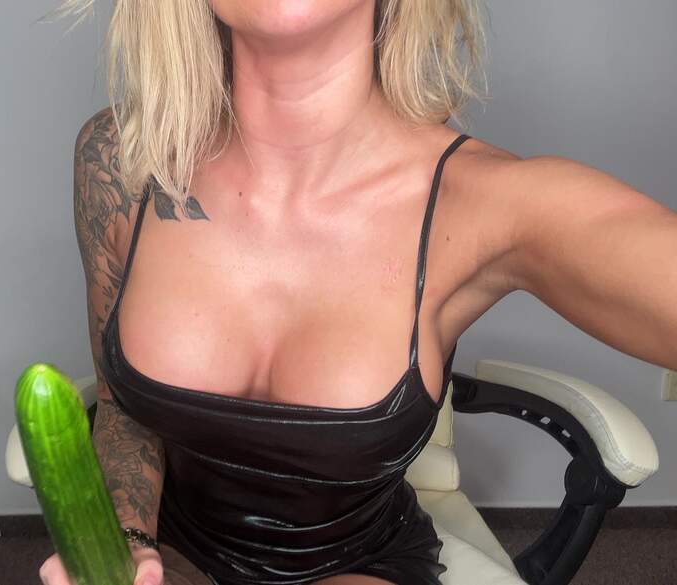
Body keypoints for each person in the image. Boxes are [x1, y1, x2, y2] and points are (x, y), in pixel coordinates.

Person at [39, 1, 677, 584]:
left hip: (354, 564)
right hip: (174, 550)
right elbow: (122, 411)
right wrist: (125, 546)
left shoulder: (488, 201)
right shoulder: (122, 161)